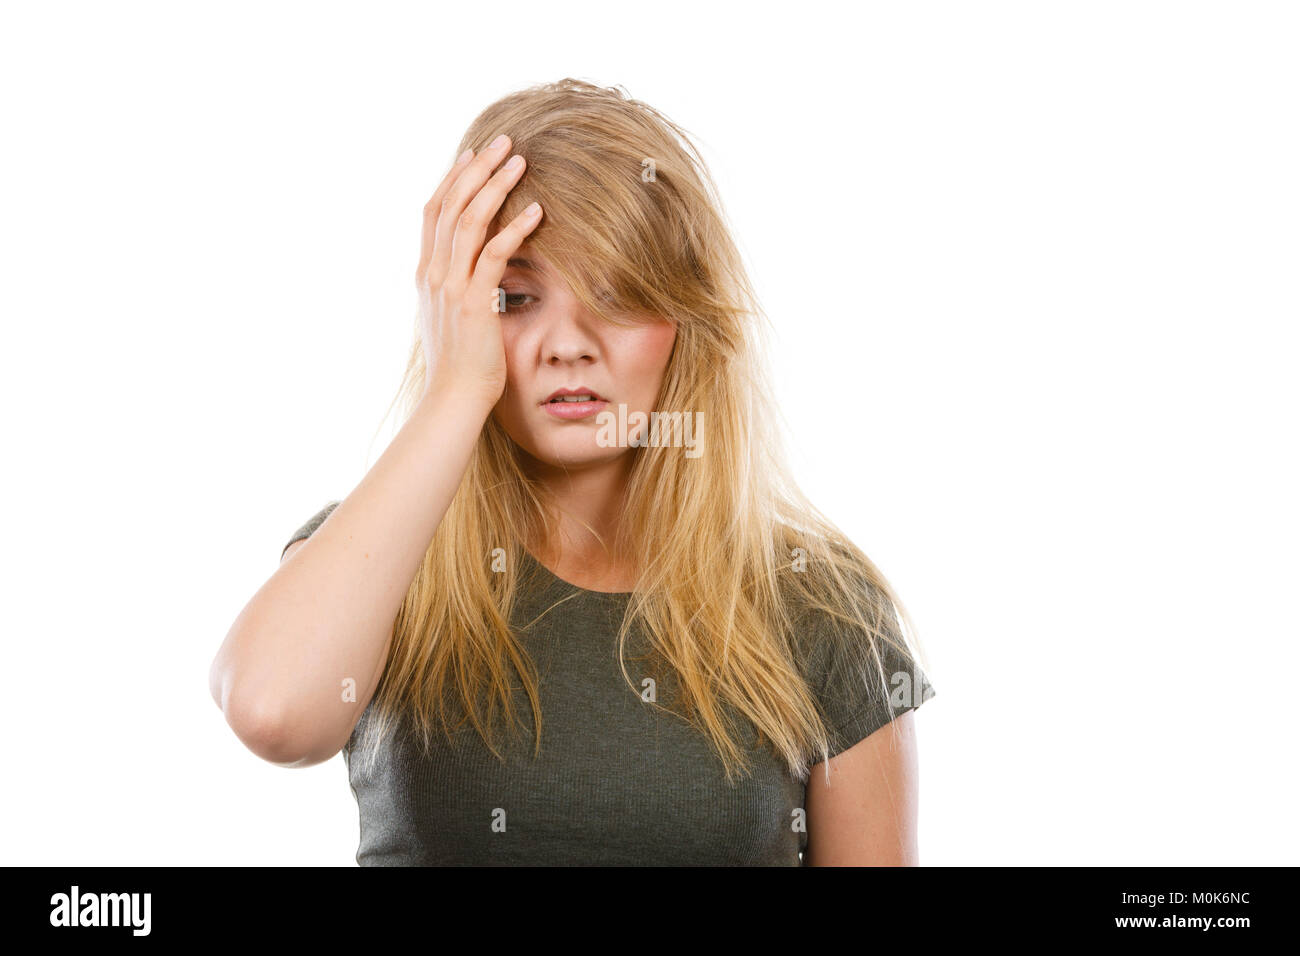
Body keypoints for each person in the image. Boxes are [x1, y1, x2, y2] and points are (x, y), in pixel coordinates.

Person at [209, 78, 935, 866]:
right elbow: (273, 712)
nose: (569, 344)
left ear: (685, 321)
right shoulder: (384, 555)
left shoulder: (817, 603)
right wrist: (456, 390)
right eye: (516, 297)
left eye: (617, 293)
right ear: (456, 309)